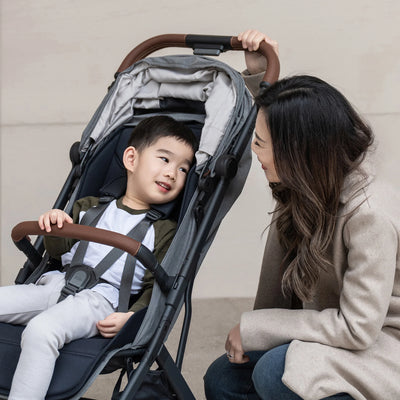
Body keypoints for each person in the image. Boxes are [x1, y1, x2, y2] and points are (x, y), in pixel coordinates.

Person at [204, 30, 400, 400]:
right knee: (224, 378)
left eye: (261, 145)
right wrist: (262, 77)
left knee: (278, 372)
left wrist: (258, 327)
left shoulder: (369, 215)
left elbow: (358, 329)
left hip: (380, 346)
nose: (255, 153)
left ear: (297, 153)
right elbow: (281, 120)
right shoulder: (309, 180)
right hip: (332, 332)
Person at [0, 115, 198, 400]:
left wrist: (132, 317)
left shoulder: (164, 230)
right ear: (131, 158)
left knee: (41, 331)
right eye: (165, 159)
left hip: (101, 301)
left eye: (183, 169)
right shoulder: (89, 208)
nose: (172, 173)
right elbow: (57, 252)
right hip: (55, 285)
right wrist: (56, 223)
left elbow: (157, 285)